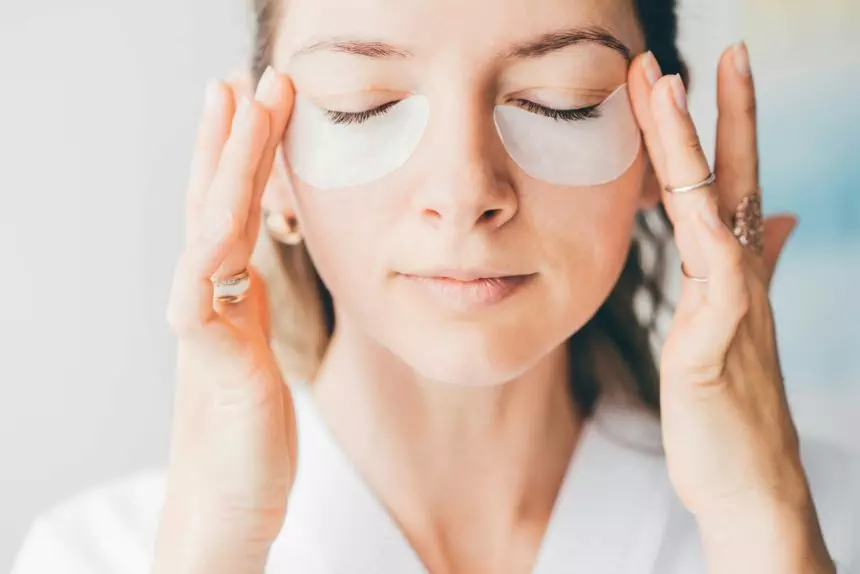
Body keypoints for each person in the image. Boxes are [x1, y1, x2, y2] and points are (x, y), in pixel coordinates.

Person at [11, 0, 860, 572]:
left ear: (658, 134)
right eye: (363, 105)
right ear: (262, 161)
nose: (464, 191)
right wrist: (218, 542)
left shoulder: (824, 522)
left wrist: (765, 529)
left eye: (558, 102)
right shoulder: (94, 555)